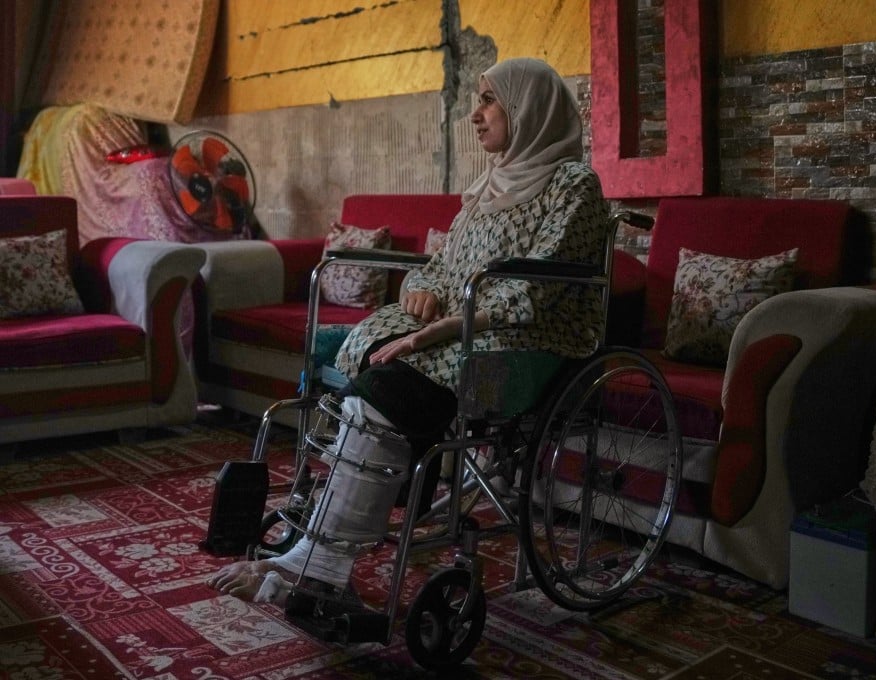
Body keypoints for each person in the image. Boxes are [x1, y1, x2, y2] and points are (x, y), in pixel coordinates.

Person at [206, 57, 610, 604]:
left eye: (488, 100)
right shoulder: (487, 188)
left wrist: (427, 334)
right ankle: (326, 535)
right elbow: (443, 265)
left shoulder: (574, 184)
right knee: (368, 377)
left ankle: (320, 563)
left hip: (521, 346)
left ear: (527, 109)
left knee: (389, 388)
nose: (474, 115)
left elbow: (536, 291)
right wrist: (420, 288)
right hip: (461, 329)